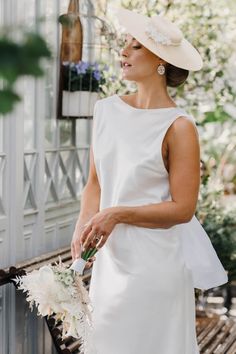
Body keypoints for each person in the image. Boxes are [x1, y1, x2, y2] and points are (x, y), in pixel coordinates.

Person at [71, 8, 228, 354]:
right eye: (125, 44)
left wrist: (116, 215)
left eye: (135, 46)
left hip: (157, 268)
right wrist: (85, 221)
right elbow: (95, 182)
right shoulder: (106, 111)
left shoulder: (180, 126)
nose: (123, 52)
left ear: (161, 60)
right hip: (110, 264)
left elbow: (183, 209)